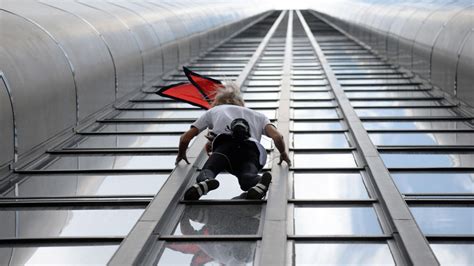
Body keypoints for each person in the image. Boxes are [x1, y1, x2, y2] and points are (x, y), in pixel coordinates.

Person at [175, 82, 291, 200]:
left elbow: (185, 138)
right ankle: (259, 182)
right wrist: (283, 153)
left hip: (225, 147)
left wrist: (181, 154)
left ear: (217, 102)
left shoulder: (214, 111)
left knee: (209, 170)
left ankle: (205, 181)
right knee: (247, 177)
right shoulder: (259, 116)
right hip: (251, 151)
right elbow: (278, 137)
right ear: (241, 103)